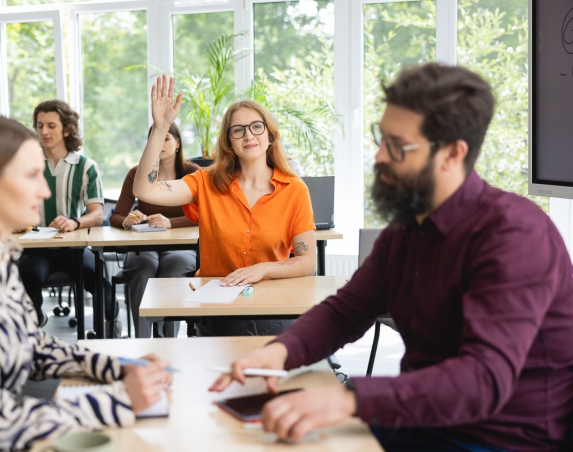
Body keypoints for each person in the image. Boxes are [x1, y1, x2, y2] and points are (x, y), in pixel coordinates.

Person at [209, 63, 573, 452]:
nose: (379, 156)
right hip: (419, 421)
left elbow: (481, 380)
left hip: (499, 438)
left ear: (452, 154)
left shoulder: (514, 235)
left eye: (397, 146)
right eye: (381, 138)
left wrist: (348, 399)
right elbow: (345, 313)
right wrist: (276, 353)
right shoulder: (407, 229)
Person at [0, 113, 173, 452]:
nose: (43, 190)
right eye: (31, 176)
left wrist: (118, 367)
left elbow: (33, 347)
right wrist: (120, 400)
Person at [132, 75, 317, 336]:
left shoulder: (294, 190)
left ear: (270, 135)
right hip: (218, 307)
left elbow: (307, 262)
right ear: (229, 142)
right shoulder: (205, 182)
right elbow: (144, 190)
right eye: (238, 130)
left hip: (271, 303)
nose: (248, 135)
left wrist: (261, 269)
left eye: (256, 127)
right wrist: (161, 128)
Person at [17, 99, 121, 336]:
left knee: (96, 278)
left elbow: (97, 214)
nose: (44, 131)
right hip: (36, 249)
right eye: (40, 125)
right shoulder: (26, 165)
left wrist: (74, 222)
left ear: (66, 129)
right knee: (26, 275)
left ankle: (111, 322)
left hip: (74, 248)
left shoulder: (86, 167)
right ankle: (34, 324)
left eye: (51, 126)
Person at [110, 122, 200, 337]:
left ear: (178, 143)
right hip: (144, 246)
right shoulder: (137, 173)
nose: (159, 144)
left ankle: (168, 337)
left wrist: (171, 222)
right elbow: (116, 216)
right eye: (155, 139)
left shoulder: (193, 173)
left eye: (165, 138)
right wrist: (128, 220)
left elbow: (206, 215)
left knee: (176, 266)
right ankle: (142, 339)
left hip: (181, 247)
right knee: (142, 267)